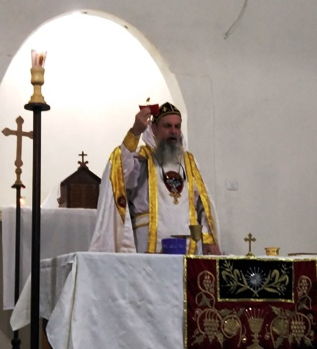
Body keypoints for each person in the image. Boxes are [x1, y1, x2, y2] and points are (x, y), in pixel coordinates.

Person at [90, 102, 221, 254]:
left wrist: (208, 238)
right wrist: (134, 133)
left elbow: (202, 204)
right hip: (147, 242)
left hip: (187, 244)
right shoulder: (140, 157)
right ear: (154, 129)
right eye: (167, 126)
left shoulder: (189, 162)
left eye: (177, 126)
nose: (173, 131)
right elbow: (120, 170)